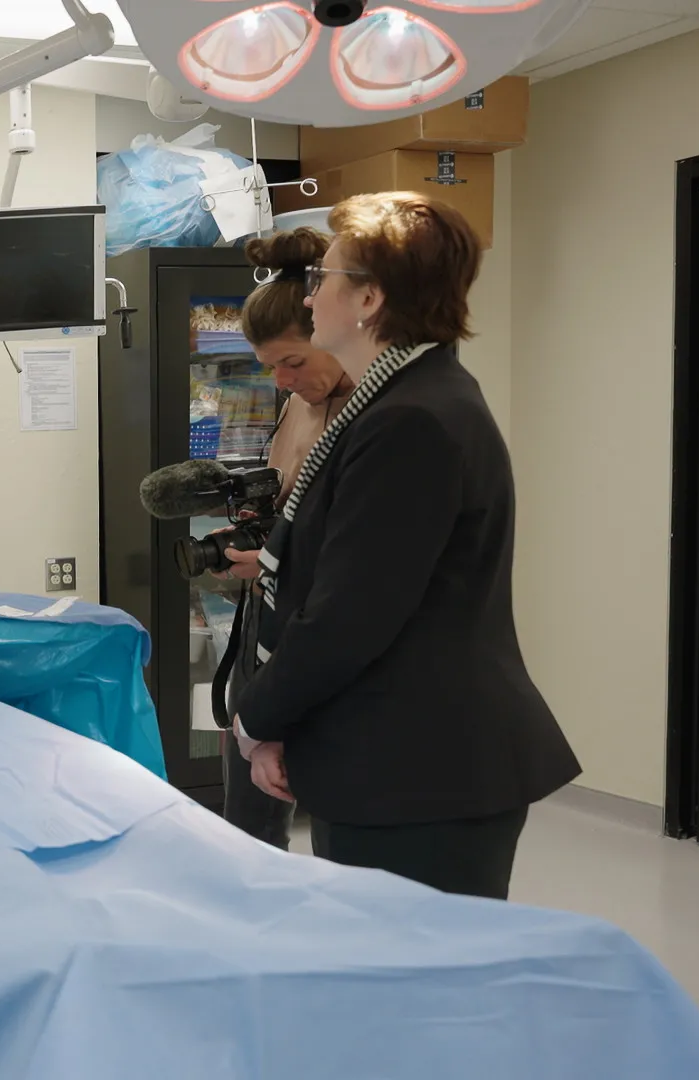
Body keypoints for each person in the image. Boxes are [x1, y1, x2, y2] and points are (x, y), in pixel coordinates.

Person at [231, 193, 581, 900]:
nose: (310, 294)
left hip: (422, 772)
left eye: (322, 277)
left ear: (369, 297)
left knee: (419, 994)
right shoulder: (401, 402)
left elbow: (351, 615)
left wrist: (257, 718)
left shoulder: (412, 421)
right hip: (394, 758)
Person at [214, 228, 357, 850]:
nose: (283, 382)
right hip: (267, 623)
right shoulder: (299, 402)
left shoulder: (379, 418)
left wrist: (273, 562)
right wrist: (252, 544)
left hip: (321, 632)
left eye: (293, 363)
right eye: (271, 368)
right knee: (247, 812)